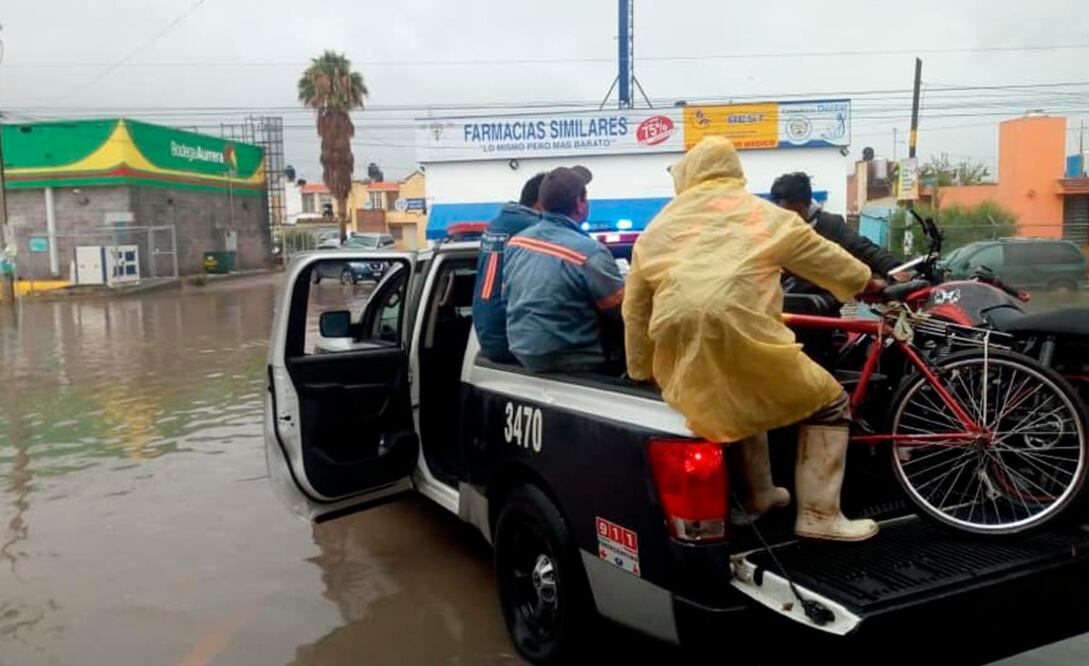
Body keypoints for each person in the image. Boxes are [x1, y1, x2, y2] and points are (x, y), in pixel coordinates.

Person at [623, 137, 885, 542]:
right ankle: (819, 515)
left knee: (739, 399)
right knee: (829, 403)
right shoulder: (760, 214)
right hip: (740, 323)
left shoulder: (659, 226)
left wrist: (639, 366)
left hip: (676, 331)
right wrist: (870, 283)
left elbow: (635, 307)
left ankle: (761, 494)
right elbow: (823, 257)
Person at [503, 166, 625, 373]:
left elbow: (507, 295)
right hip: (573, 358)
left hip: (524, 354)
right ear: (579, 204)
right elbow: (624, 310)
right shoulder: (589, 252)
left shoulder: (517, 242)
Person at [770, 172, 903, 300]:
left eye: (797, 212)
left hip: (822, 310)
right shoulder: (770, 231)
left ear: (807, 204)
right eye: (785, 213)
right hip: (778, 306)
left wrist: (894, 268)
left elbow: (862, 248)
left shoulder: (831, 226)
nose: (792, 219)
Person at [472, 173, 546, 362]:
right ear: (541, 202)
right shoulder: (535, 230)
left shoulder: (496, 225)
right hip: (512, 337)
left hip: (488, 333)